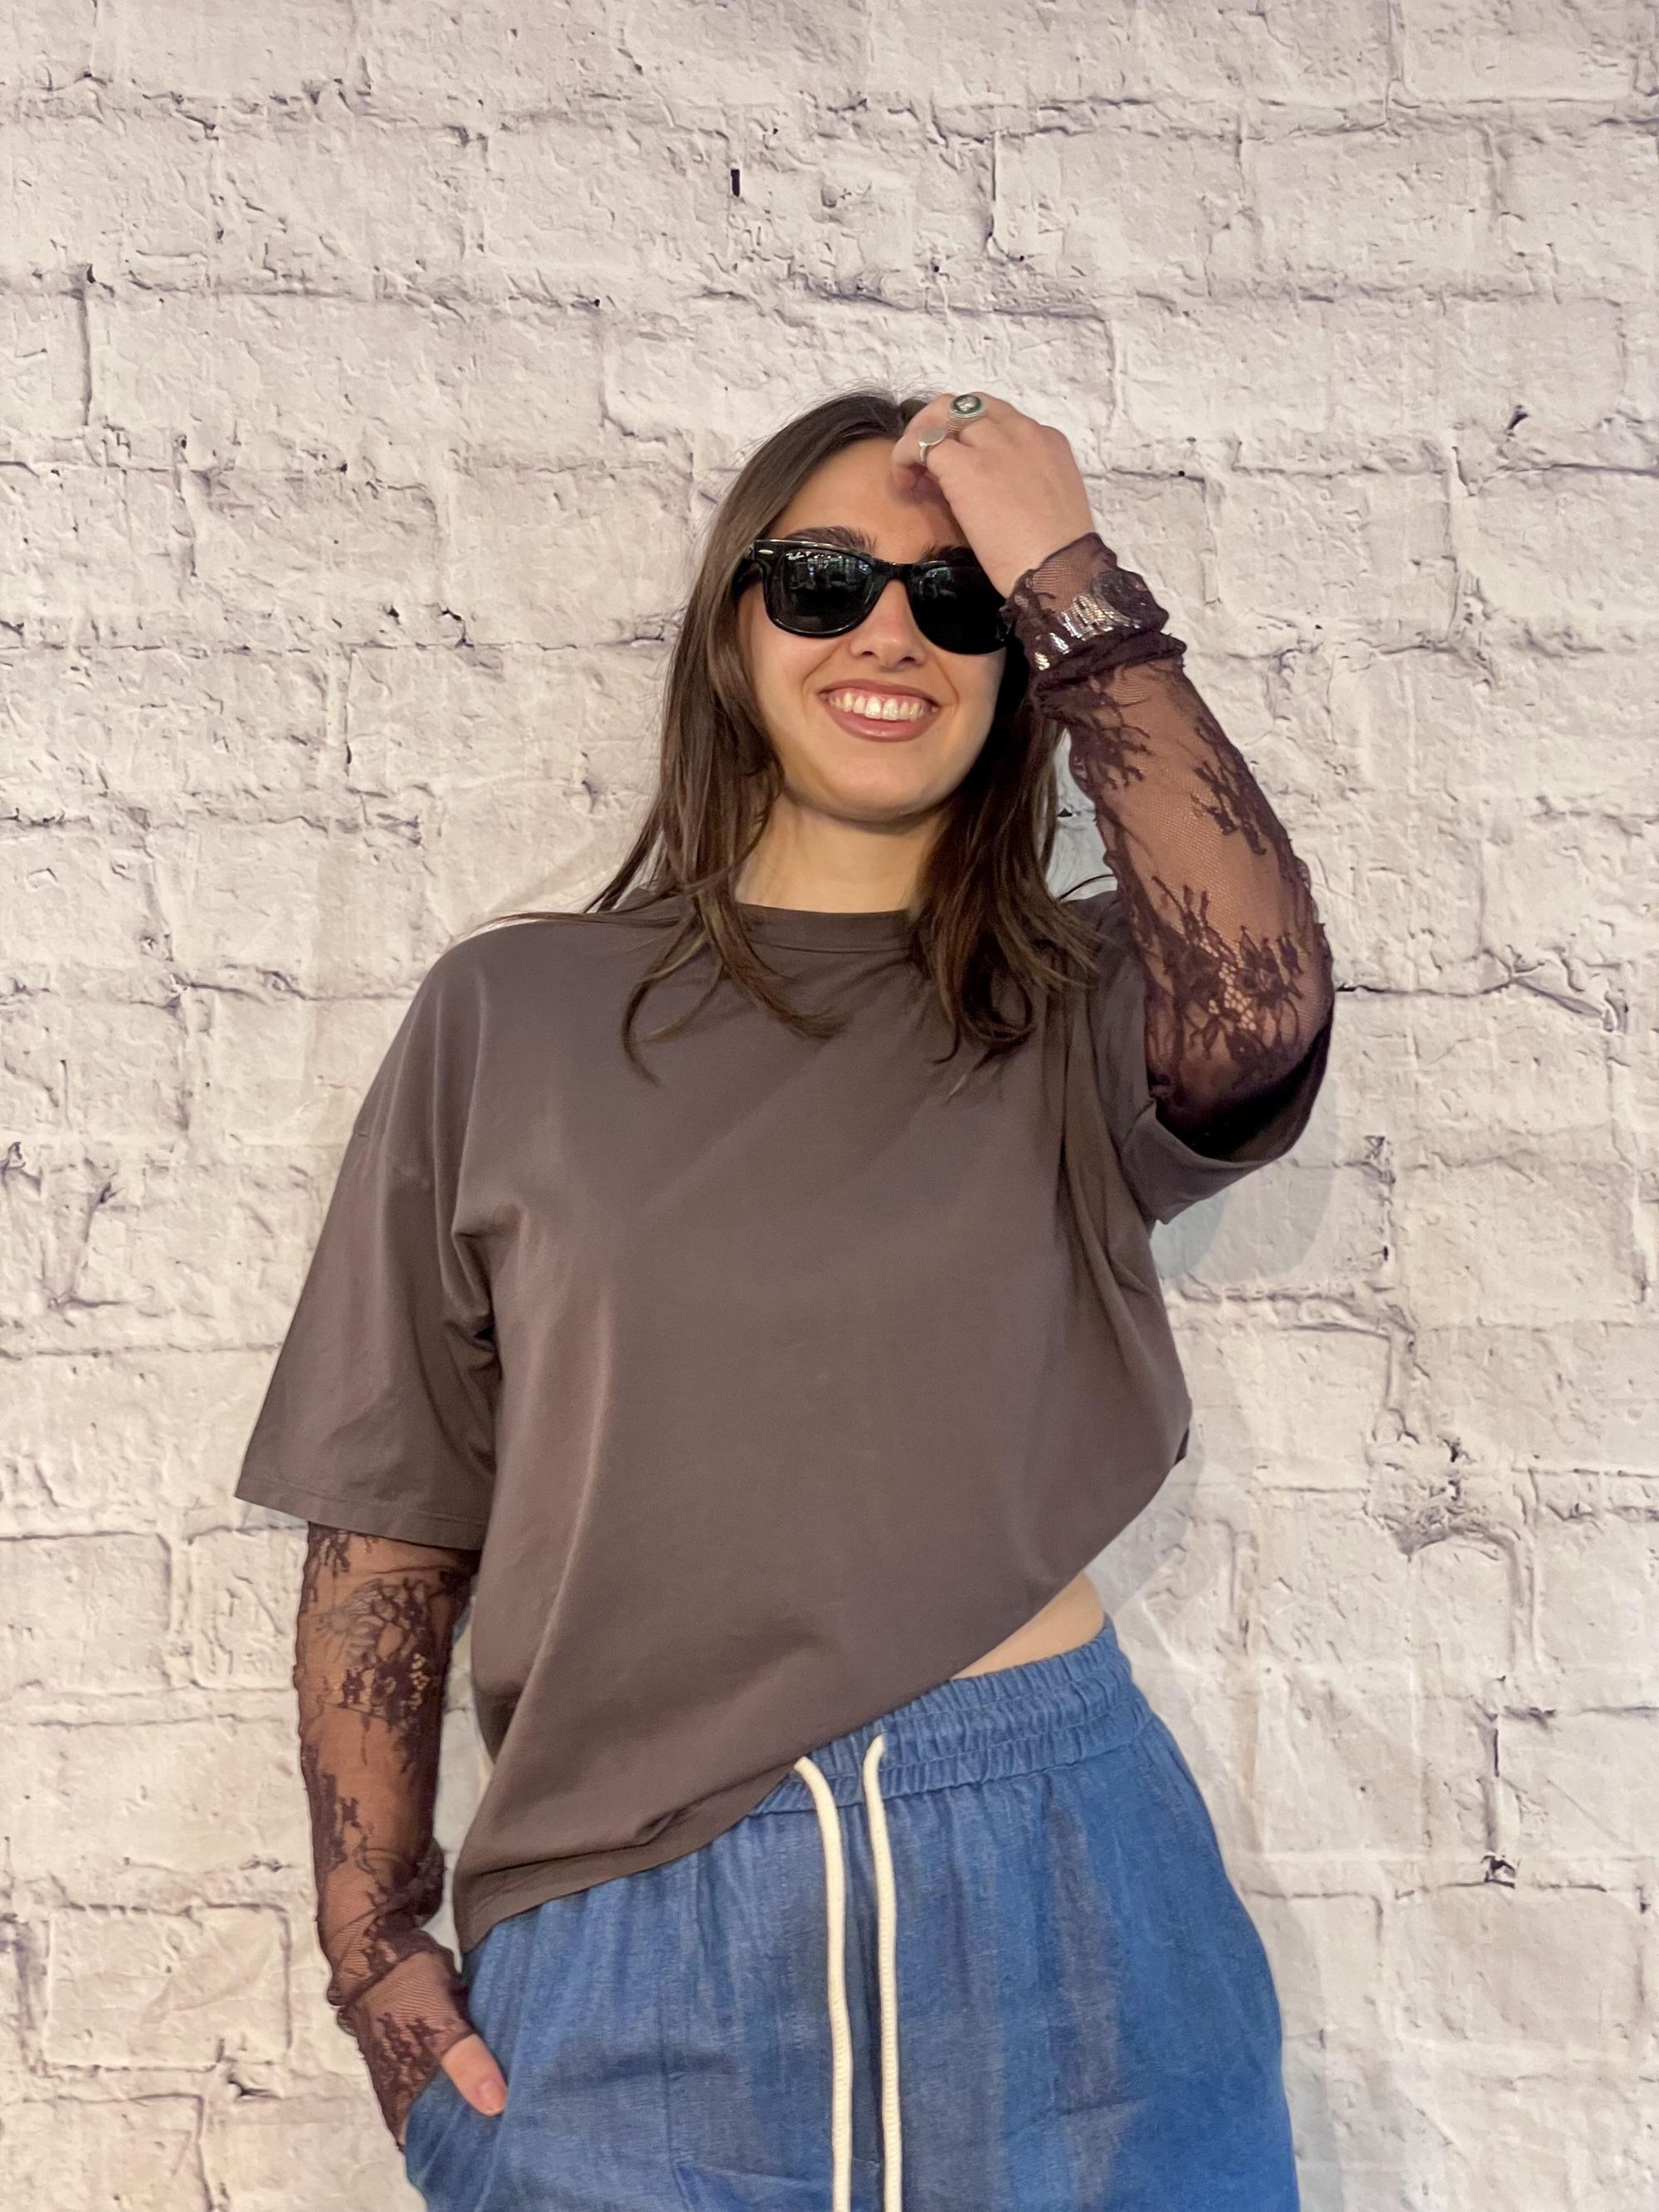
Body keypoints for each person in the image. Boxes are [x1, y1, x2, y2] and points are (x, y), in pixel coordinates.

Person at [233, 385, 1334, 2210]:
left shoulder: (1074, 1003)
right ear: (732, 630)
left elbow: (1264, 1002)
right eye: (824, 580)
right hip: (628, 1922)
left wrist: (1069, 577)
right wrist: (375, 1959)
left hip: (1063, 1893)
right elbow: (386, 1517)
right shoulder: (512, 1016)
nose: (890, 631)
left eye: (954, 599)